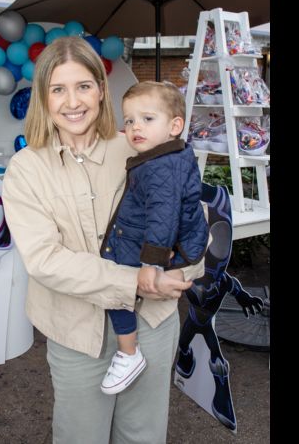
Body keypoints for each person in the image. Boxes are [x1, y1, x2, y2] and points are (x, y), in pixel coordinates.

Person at [1, 36, 204, 444]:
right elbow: (45, 260)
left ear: (100, 89)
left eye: (83, 86)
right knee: (80, 436)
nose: (72, 101)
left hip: (151, 320)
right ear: (44, 96)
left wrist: (183, 272)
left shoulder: (137, 145)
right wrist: (135, 280)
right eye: (58, 89)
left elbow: (186, 215)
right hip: (79, 332)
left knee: (142, 435)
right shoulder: (25, 169)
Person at [99, 81, 208, 395]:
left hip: (159, 244)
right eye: (129, 120)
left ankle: (128, 353)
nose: (135, 128)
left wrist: (151, 263)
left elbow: (163, 215)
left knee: (113, 280)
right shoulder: (163, 156)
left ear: (175, 126)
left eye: (147, 119)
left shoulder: (161, 166)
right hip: (163, 236)